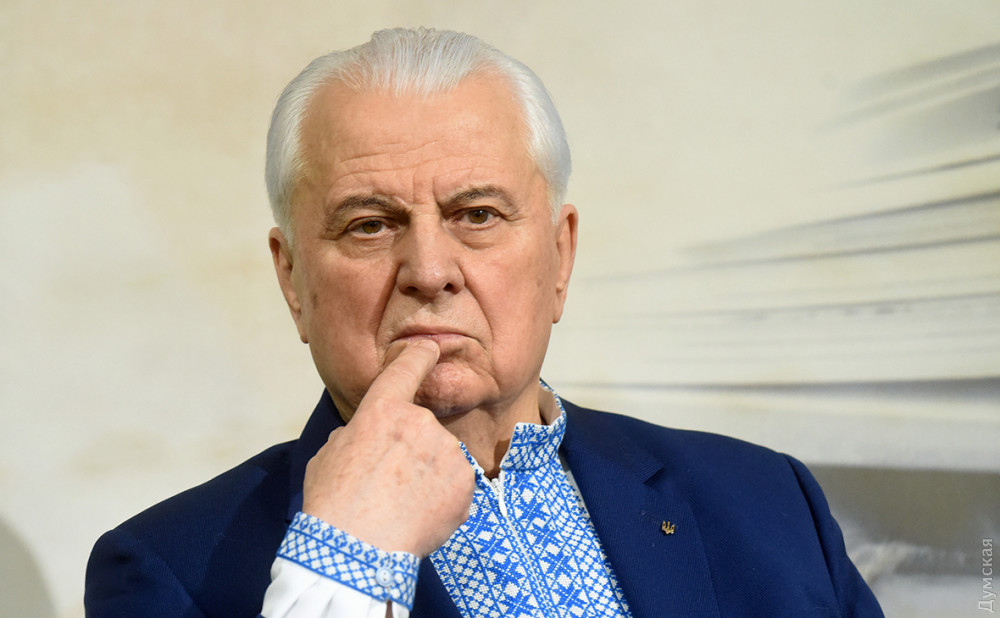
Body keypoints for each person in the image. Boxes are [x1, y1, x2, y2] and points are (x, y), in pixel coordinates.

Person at [84, 27, 883, 617]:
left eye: (477, 214)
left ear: (560, 255)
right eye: (369, 225)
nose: (430, 270)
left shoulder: (767, 500)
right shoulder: (166, 570)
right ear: (291, 277)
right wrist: (342, 567)